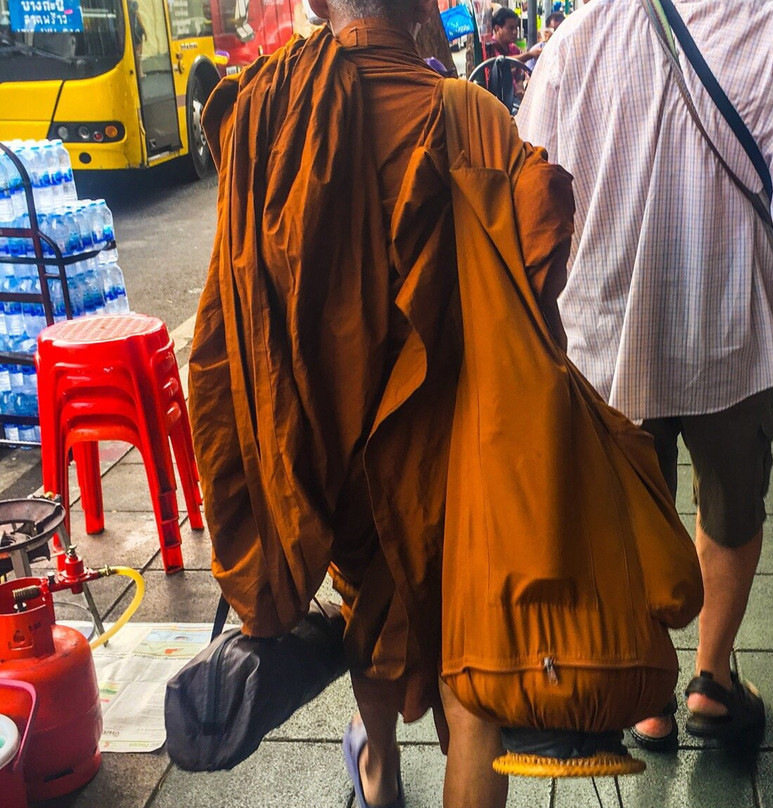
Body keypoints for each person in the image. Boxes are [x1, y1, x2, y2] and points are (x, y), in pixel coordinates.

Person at [187, 0, 574, 805]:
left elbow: (236, 306)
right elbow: (538, 287)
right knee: (473, 656)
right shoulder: (467, 112)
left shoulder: (266, 107)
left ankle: (378, 773)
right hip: (453, 439)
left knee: (368, 602)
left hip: (330, 432)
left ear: (324, 6)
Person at [517, 0, 773, 755]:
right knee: (732, 502)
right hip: (733, 328)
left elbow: (533, 187)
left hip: (609, 329)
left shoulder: (582, 32)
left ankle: (646, 693)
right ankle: (711, 683)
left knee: (625, 518)